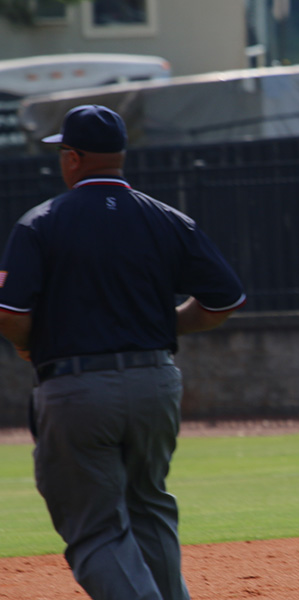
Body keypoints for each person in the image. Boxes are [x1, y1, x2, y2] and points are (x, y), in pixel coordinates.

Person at [0, 105, 246, 600]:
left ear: (72, 157)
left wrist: (29, 345)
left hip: (76, 387)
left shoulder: (41, 223)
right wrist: (163, 324)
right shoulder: (166, 219)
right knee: (148, 507)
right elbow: (224, 302)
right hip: (156, 382)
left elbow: (10, 313)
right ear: (119, 156)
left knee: (93, 528)